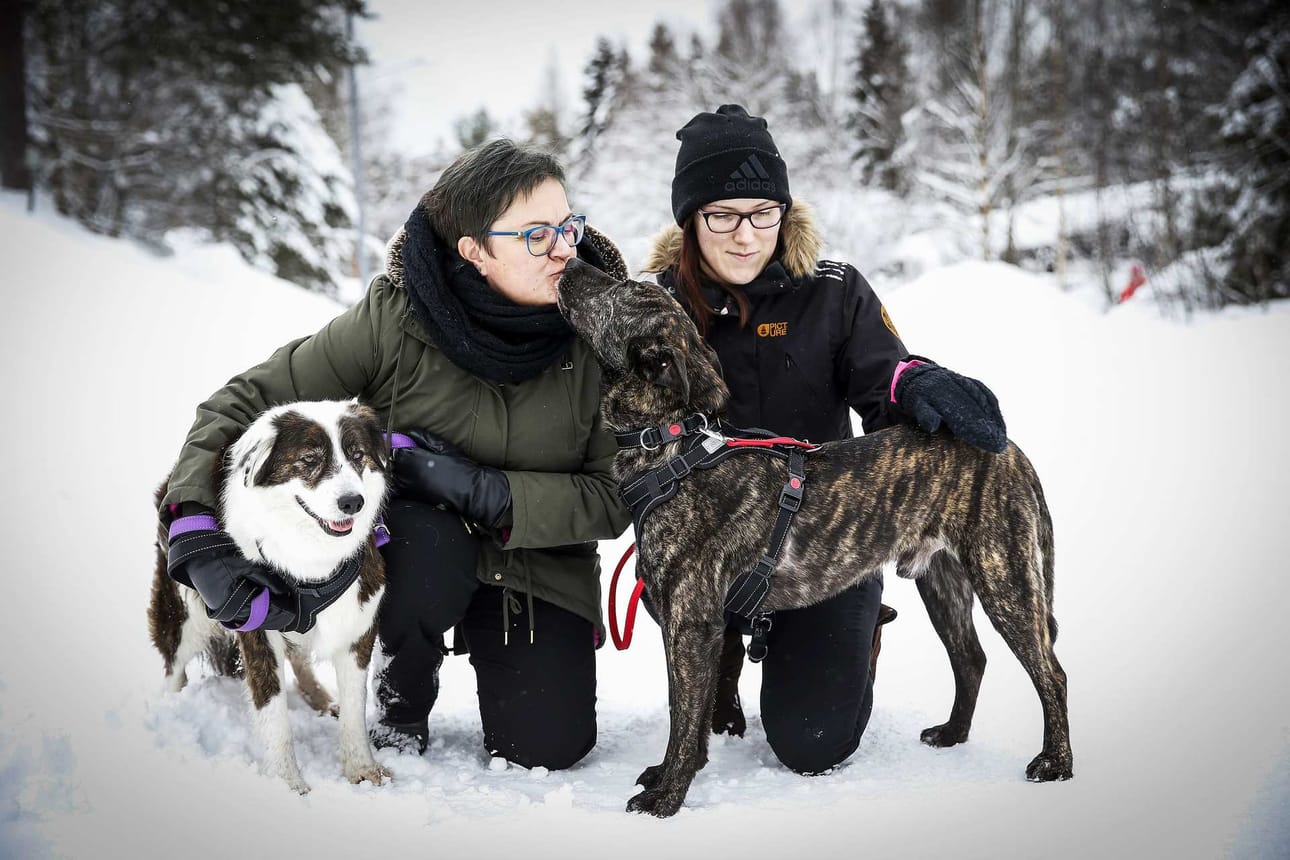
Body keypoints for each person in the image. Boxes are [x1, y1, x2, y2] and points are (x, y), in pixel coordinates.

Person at [160, 138, 632, 770]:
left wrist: (485, 489)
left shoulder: (604, 332)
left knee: (547, 748)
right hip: (411, 557)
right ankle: (397, 695)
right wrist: (193, 524)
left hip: (535, 568)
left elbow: (612, 495)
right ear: (474, 250)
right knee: (426, 541)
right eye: (538, 235)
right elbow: (241, 403)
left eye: (568, 226)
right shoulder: (396, 317)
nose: (565, 249)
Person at [640, 104, 1007, 775]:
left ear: (784, 211)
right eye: (721, 214)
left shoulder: (833, 293)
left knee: (812, 743)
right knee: (676, 581)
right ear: (690, 220)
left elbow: (881, 376)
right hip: (709, 544)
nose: (745, 235)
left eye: (762, 212)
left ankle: (851, 634)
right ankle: (721, 655)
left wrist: (913, 383)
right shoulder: (659, 309)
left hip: (821, 544)